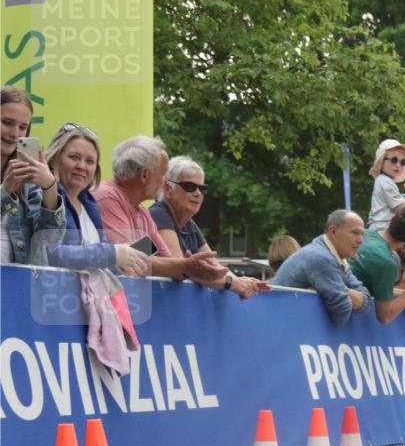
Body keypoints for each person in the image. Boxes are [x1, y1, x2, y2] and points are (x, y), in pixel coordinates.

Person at [94, 136, 225, 283]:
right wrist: (185, 266)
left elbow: (167, 261)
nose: (165, 181)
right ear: (145, 175)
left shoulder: (142, 212)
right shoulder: (107, 198)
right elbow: (129, 264)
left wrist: (187, 268)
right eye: (163, 174)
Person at [151, 155, 270, 299]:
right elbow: (179, 269)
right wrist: (231, 283)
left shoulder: (189, 225)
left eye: (202, 188)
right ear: (168, 189)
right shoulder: (158, 214)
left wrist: (243, 282)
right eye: (190, 187)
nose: (198, 193)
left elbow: (217, 268)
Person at [41, 123, 149, 276]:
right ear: (54, 159)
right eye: (74, 157)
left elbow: (100, 261)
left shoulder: (90, 204)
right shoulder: (44, 197)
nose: (81, 166)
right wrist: (112, 254)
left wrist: (123, 264)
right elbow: (47, 254)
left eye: (90, 161)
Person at [271, 210, 372, 325]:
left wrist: (342, 290)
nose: (360, 240)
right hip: (280, 324)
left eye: (362, 234)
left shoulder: (337, 257)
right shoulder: (322, 258)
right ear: (333, 231)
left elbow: (367, 302)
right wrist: (343, 293)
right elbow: (341, 314)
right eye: (355, 233)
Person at [1, 86, 64, 264]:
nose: (14, 134)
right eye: (6, 122)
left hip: (19, 284)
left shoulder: (26, 177)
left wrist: (49, 185)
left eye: (23, 127)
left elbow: (49, 241)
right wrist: (5, 192)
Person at [350, 204, 405, 325]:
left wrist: (397, 292)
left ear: (392, 219)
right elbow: (385, 316)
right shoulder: (386, 263)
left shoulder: (363, 234)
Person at [367, 138, 405, 230]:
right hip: (382, 229)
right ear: (381, 161)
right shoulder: (385, 181)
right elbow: (399, 208)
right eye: (394, 160)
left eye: (403, 162)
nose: (398, 165)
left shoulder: (384, 180)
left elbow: (396, 203)